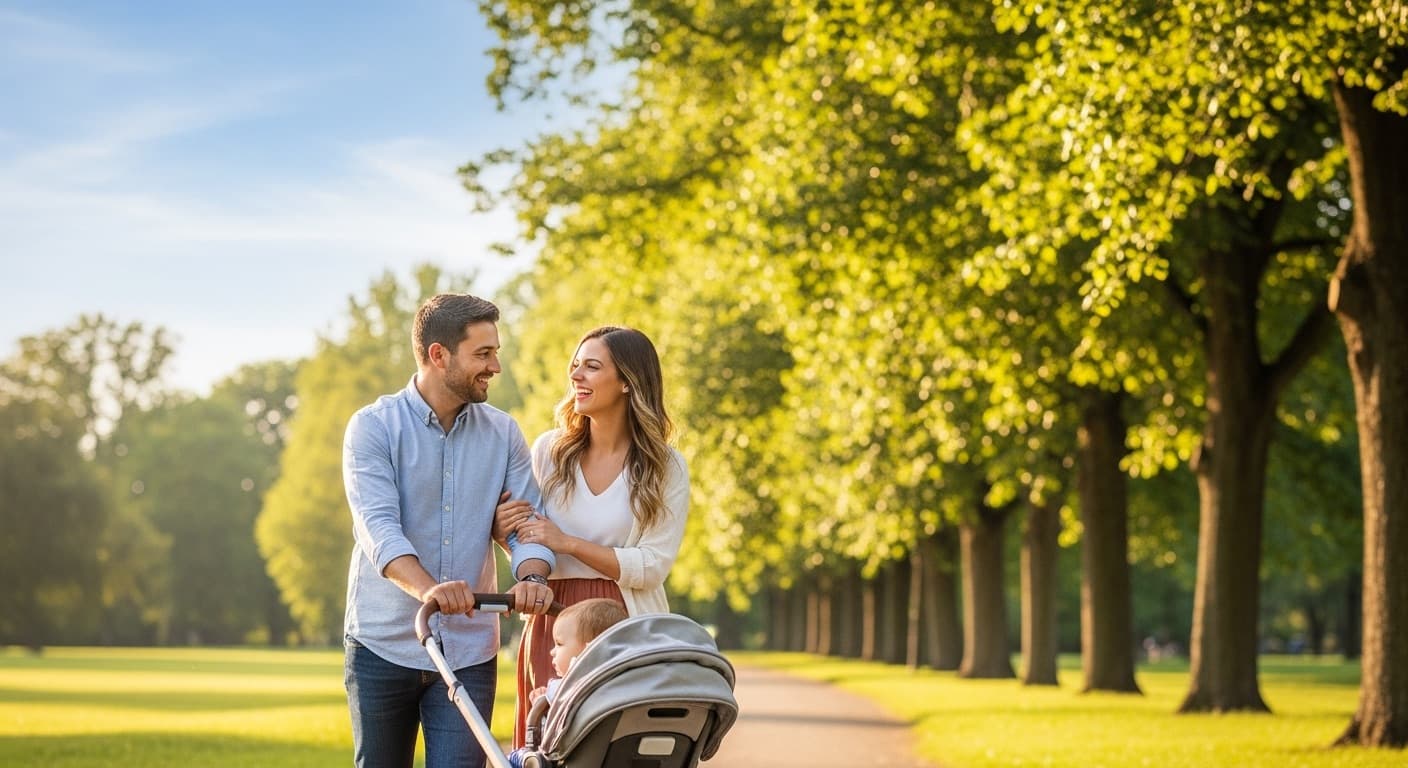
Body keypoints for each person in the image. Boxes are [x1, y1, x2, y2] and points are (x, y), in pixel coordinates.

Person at [342, 293, 557, 768]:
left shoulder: (503, 434)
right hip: (384, 644)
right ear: (438, 356)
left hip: (468, 649)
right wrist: (431, 590)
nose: (495, 366)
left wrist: (532, 578)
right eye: (483, 354)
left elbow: (527, 528)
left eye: (495, 352)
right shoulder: (373, 428)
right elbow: (379, 528)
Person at [494, 325, 691, 749]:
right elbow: (531, 537)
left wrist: (567, 543)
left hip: (623, 624)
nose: (577, 376)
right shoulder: (550, 451)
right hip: (553, 623)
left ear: (626, 382)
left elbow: (653, 565)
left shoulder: (665, 466)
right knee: (545, 743)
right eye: (575, 366)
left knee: (614, 749)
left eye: (592, 367)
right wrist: (503, 533)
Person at [507, 597, 629, 768]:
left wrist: (544, 708)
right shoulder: (627, 687)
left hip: (574, 760)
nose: (552, 651)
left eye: (559, 644)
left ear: (589, 651)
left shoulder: (564, 690)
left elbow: (552, 740)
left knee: (514, 758)